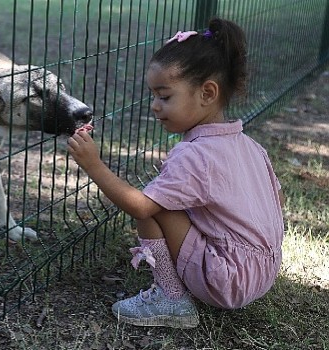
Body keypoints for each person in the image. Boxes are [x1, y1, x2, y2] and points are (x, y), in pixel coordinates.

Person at [67, 17, 285, 329]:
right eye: (154, 96)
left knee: (152, 207)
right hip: (264, 270)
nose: (155, 106)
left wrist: (94, 165)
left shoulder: (194, 154)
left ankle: (171, 299)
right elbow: (278, 196)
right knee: (169, 200)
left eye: (165, 96)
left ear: (207, 93)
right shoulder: (251, 146)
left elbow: (140, 207)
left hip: (226, 280)